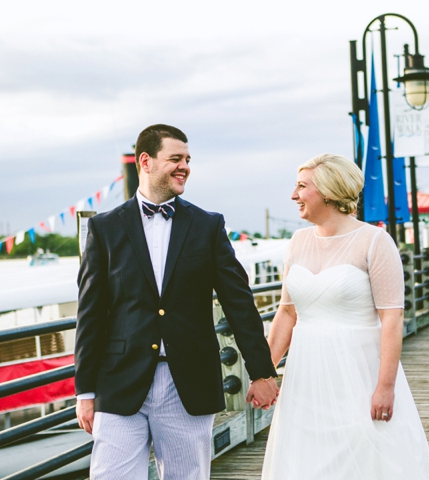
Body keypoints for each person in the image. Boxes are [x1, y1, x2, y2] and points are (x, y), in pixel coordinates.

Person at [75, 124, 279, 480]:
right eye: (175, 158)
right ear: (146, 161)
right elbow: (90, 314)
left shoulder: (208, 226)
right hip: (119, 383)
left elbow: (239, 304)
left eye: (188, 159)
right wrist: (85, 391)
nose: (184, 166)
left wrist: (261, 372)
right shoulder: (105, 228)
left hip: (188, 381)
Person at [261, 154, 429, 479]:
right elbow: (286, 313)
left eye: (301, 186)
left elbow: (392, 319)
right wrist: (264, 372)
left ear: (328, 192)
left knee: (365, 455)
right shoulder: (298, 242)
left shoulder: (374, 241)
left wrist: (385, 387)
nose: (293, 195)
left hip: (358, 373)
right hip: (305, 375)